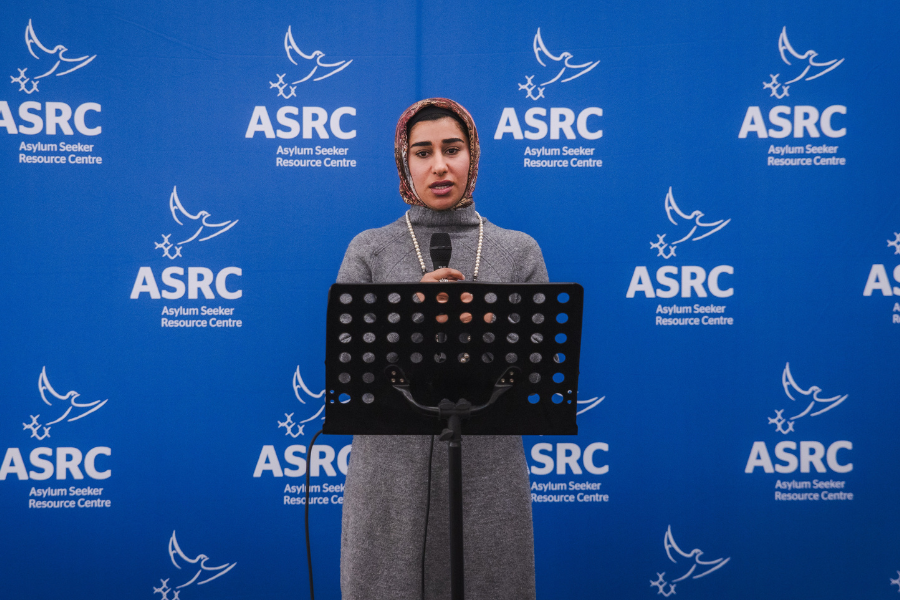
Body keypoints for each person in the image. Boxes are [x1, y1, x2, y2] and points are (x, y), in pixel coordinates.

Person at [337, 98, 548, 600]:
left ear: (472, 156)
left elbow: (539, 363)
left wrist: (490, 326)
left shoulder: (518, 250)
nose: (439, 165)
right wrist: (411, 314)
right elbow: (346, 356)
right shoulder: (369, 249)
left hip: (487, 471)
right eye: (422, 152)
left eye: (452, 149)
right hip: (389, 474)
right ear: (403, 162)